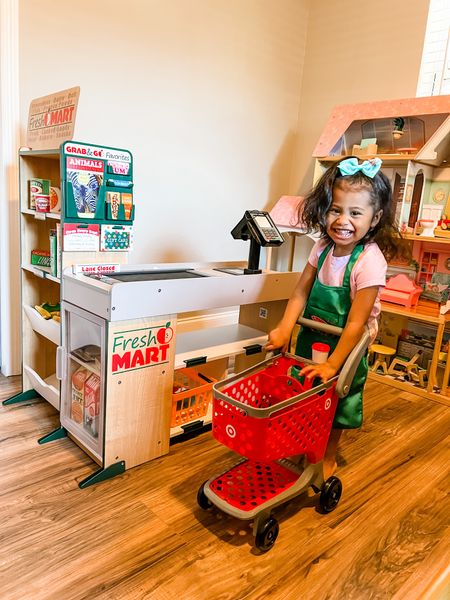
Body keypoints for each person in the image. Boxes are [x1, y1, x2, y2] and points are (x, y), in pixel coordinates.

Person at [266, 156, 408, 480]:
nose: (343, 220)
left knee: (338, 397)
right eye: (336, 209)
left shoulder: (369, 262)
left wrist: (333, 365)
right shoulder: (322, 247)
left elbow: (356, 323)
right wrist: (285, 328)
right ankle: (303, 441)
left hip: (348, 342)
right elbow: (301, 292)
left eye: (355, 213)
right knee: (305, 390)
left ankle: (327, 453)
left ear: (375, 219)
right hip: (314, 332)